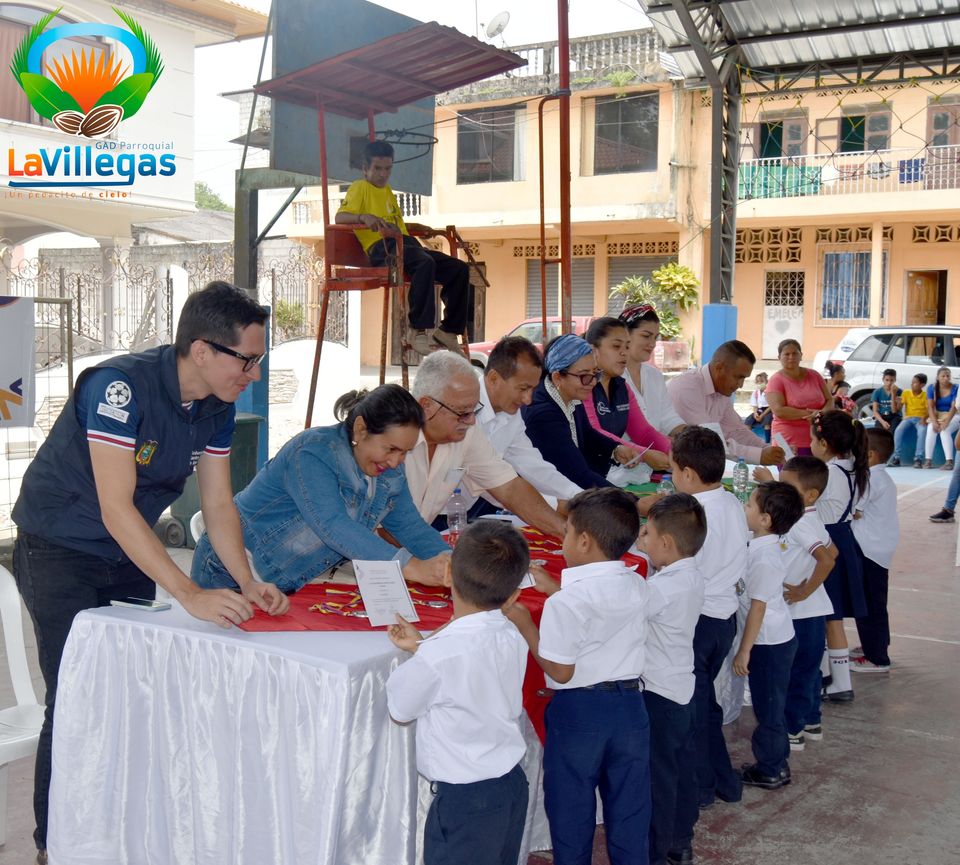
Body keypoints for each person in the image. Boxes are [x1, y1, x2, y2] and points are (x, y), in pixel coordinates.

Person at [11, 281, 290, 865]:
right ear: (202, 350)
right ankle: (53, 844)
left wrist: (247, 579)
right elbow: (116, 508)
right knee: (76, 694)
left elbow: (218, 504)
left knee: (132, 689)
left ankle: (117, 829)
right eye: (248, 360)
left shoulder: (217, 406)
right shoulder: (119, 386)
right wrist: (189, 593)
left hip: (126, 553)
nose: (255, 374)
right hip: (61, 547)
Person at [504, 488, 651, 865]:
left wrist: (525, 623)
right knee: (631, 810)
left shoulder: (566, 603)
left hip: (580, 713)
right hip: (631, 708)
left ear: (584, 541)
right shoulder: (636, 583)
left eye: (567, 532)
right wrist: (556, 591)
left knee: (571, 809)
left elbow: (560, 670)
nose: (563, 539)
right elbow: (599, 611)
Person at [191, 384, 451, 592]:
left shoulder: (390, 471)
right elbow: (334, 525)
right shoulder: (312, 453)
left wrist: (453, 565)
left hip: (282, 584)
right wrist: (409, 566)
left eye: (404, 452)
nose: (395, 462)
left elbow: (411, 527)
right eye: (391, 449)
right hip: (228, 572)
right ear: (360, 429)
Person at [386, 520, 530, 865]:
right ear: (513, 596)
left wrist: (424, 652)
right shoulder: (512, 634)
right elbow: (468, 658)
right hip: (511, 785)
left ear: (447, 573)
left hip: (467, 801)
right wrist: (424, 646)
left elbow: (400, 709)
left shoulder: (438, 656)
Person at [668, 426, 747, 809]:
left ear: (687, 474)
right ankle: (724, 782)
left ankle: (702, 788)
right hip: (723, 619)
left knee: (694, 713)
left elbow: (684, 571)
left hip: (699, 621)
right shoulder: (730, 501)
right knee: (705, 706)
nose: (671, 478)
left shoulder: (695, 516)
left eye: (672, 470)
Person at [405, 350, 567, 537]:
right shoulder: (392, 440)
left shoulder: (467, 433)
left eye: (474, 410)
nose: (472, 421)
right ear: (426, 406)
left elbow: (509, 488)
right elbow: (394, 527)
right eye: (463, 413)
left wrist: (567, 531)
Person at [335, 139, 469, 355]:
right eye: (377, 168)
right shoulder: (360, 187)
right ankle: (417, 330)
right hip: (383, 248)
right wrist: (363, 217)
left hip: (406, 245)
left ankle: (449, 330)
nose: (383, 174)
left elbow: (397, 226)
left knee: (459, 268)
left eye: (387, 169)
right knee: (424, 262)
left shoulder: (387, 191)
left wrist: (417, 227)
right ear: (365, 169)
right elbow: (340, 217)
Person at [638, 494, 707, 865]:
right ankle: (681, 840)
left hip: (658, 693)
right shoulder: (691, 575)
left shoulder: (662, 589)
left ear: (665, 543)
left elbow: (620, 611)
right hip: (681, 686)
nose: (641, 539)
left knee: (658, 780)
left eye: (646, 533)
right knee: (680, 770)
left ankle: (656, 851)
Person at [757, 457, 837, 751]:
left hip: (800, 611)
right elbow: (834, 551)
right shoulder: (811, 519)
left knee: (794, 672)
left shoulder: (799, 522)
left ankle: (792, 729)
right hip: (813, 609)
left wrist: (805, 590)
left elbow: (826, 560)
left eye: (787, 487)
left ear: (811, 495)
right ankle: (811, 720)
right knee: (809, 670)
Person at [734, 482, 803, 790]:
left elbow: (758, 608)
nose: (745, 508)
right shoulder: (763, 546)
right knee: (772, 705)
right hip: (773, 639)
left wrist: (744, 650)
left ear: (765, 519)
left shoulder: (765, 557)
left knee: (769, 708)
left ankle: (770, 769)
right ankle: (779, 762)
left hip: (768, 643)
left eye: (750, 504)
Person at [469, 336, 582, 517]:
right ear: (493, 378)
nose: (528, 399)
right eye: (523, 388)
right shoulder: (465, 410)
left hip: (468, 508)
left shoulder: (511, 412)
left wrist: (578, 498)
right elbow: (495, 483)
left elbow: (532, 464)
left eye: (532, 389)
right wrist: (557, 505)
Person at [522, 334, 638, 489]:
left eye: (595, 373)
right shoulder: (543, 415)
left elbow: (586, 432)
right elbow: (577, 474)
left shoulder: (571, 395)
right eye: (584, 375)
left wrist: (615, 449)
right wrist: (629, 500)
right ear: (557, 377)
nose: (593, 382)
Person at [810, 411, 870, 703]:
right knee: (831, 616)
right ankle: (830, 677)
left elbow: (805, 500)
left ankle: (838, 683)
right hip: (844, 540)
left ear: (824, 444)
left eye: (812, 440)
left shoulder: (831, 473)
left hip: (830, 543)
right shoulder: (854, 468)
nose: (810, 445)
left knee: (830, 617)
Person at [582, 316, 672, 482]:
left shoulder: (622, 387)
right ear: (594, 350)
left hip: (610, 474)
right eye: (616, 346)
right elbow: (594, 431)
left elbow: (643, 432)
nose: (624, 353)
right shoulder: (584, 385)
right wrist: (644, 455)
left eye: (627, 346)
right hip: (584, 475)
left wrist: (675, 452)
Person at [667, 340, 785, 465]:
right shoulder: (687, 389)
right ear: (719, 368)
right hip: (666, 469)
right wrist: (759, 455)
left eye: (744, 378)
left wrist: (768, 450)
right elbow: (707, 443)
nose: (740, 385)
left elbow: (736, 431)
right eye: (738, 377)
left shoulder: (721, 390)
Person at [615, 304, 686, 485]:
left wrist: (693, 437)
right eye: (646, 336)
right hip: (616, 471)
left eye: (655, 337)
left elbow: (667, 419)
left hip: (649, 472)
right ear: (625, 334)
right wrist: (645, 454)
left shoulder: (654, 376)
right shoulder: (612, 378)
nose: (652, 344)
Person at [851, 428, 899, 673]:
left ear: (870, 455)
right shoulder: (881, 477)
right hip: (878, 547)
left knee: (870, 604)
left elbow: (855, 510)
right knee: (875, 602)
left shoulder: (872, 478)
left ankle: (877, 657)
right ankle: (875, 645)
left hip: (870, 550)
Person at [765, 339, 834, 456]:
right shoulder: (775, 380)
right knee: (792, 468)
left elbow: (830, 399)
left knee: (818, 468)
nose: (791, 357)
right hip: (788, 441)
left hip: (818, 438)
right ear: (779, 357)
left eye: (795, 353)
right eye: (787, 354)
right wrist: (812, 414)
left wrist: (822, 413)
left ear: (801, 355)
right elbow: (779, 410)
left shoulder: (814, 375)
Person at [923, 366, 958, 470]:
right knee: (931, 429)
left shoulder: (955, 388)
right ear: (938, 377)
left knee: (944, 430)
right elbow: (930, 407)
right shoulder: (932, 388)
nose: (946, 378)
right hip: (938, 415)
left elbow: (954, 408)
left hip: (954, 415)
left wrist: (946, 423)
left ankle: (949, 462)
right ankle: (928, 460)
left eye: (948, 376)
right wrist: (934, 422)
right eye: (943, 376)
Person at [889, 373, 927, 467]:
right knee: (898, 430)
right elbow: (896, 410)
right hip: (908, 418)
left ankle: (918, 458)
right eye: (912, 382)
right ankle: (896, 457)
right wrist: (896, 398)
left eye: (915, 382)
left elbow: (930, 409)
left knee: (922, 432)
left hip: (920, 419)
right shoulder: (906, 393)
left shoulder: (925, 395)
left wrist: (924, 418)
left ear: (922, 385)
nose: (912, 384)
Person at [871, 368, 902, 434]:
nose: (889, 383)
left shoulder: (899, 392)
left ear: (895, 380)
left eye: (892, 380)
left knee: (892, 432)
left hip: (894, 416)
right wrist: (882, 422)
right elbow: (875, 411)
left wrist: (893, 394)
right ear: (883, 379)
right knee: (878, 432)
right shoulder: (877, 392)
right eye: (887, 380)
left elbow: (894, 411)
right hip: (882, 416)